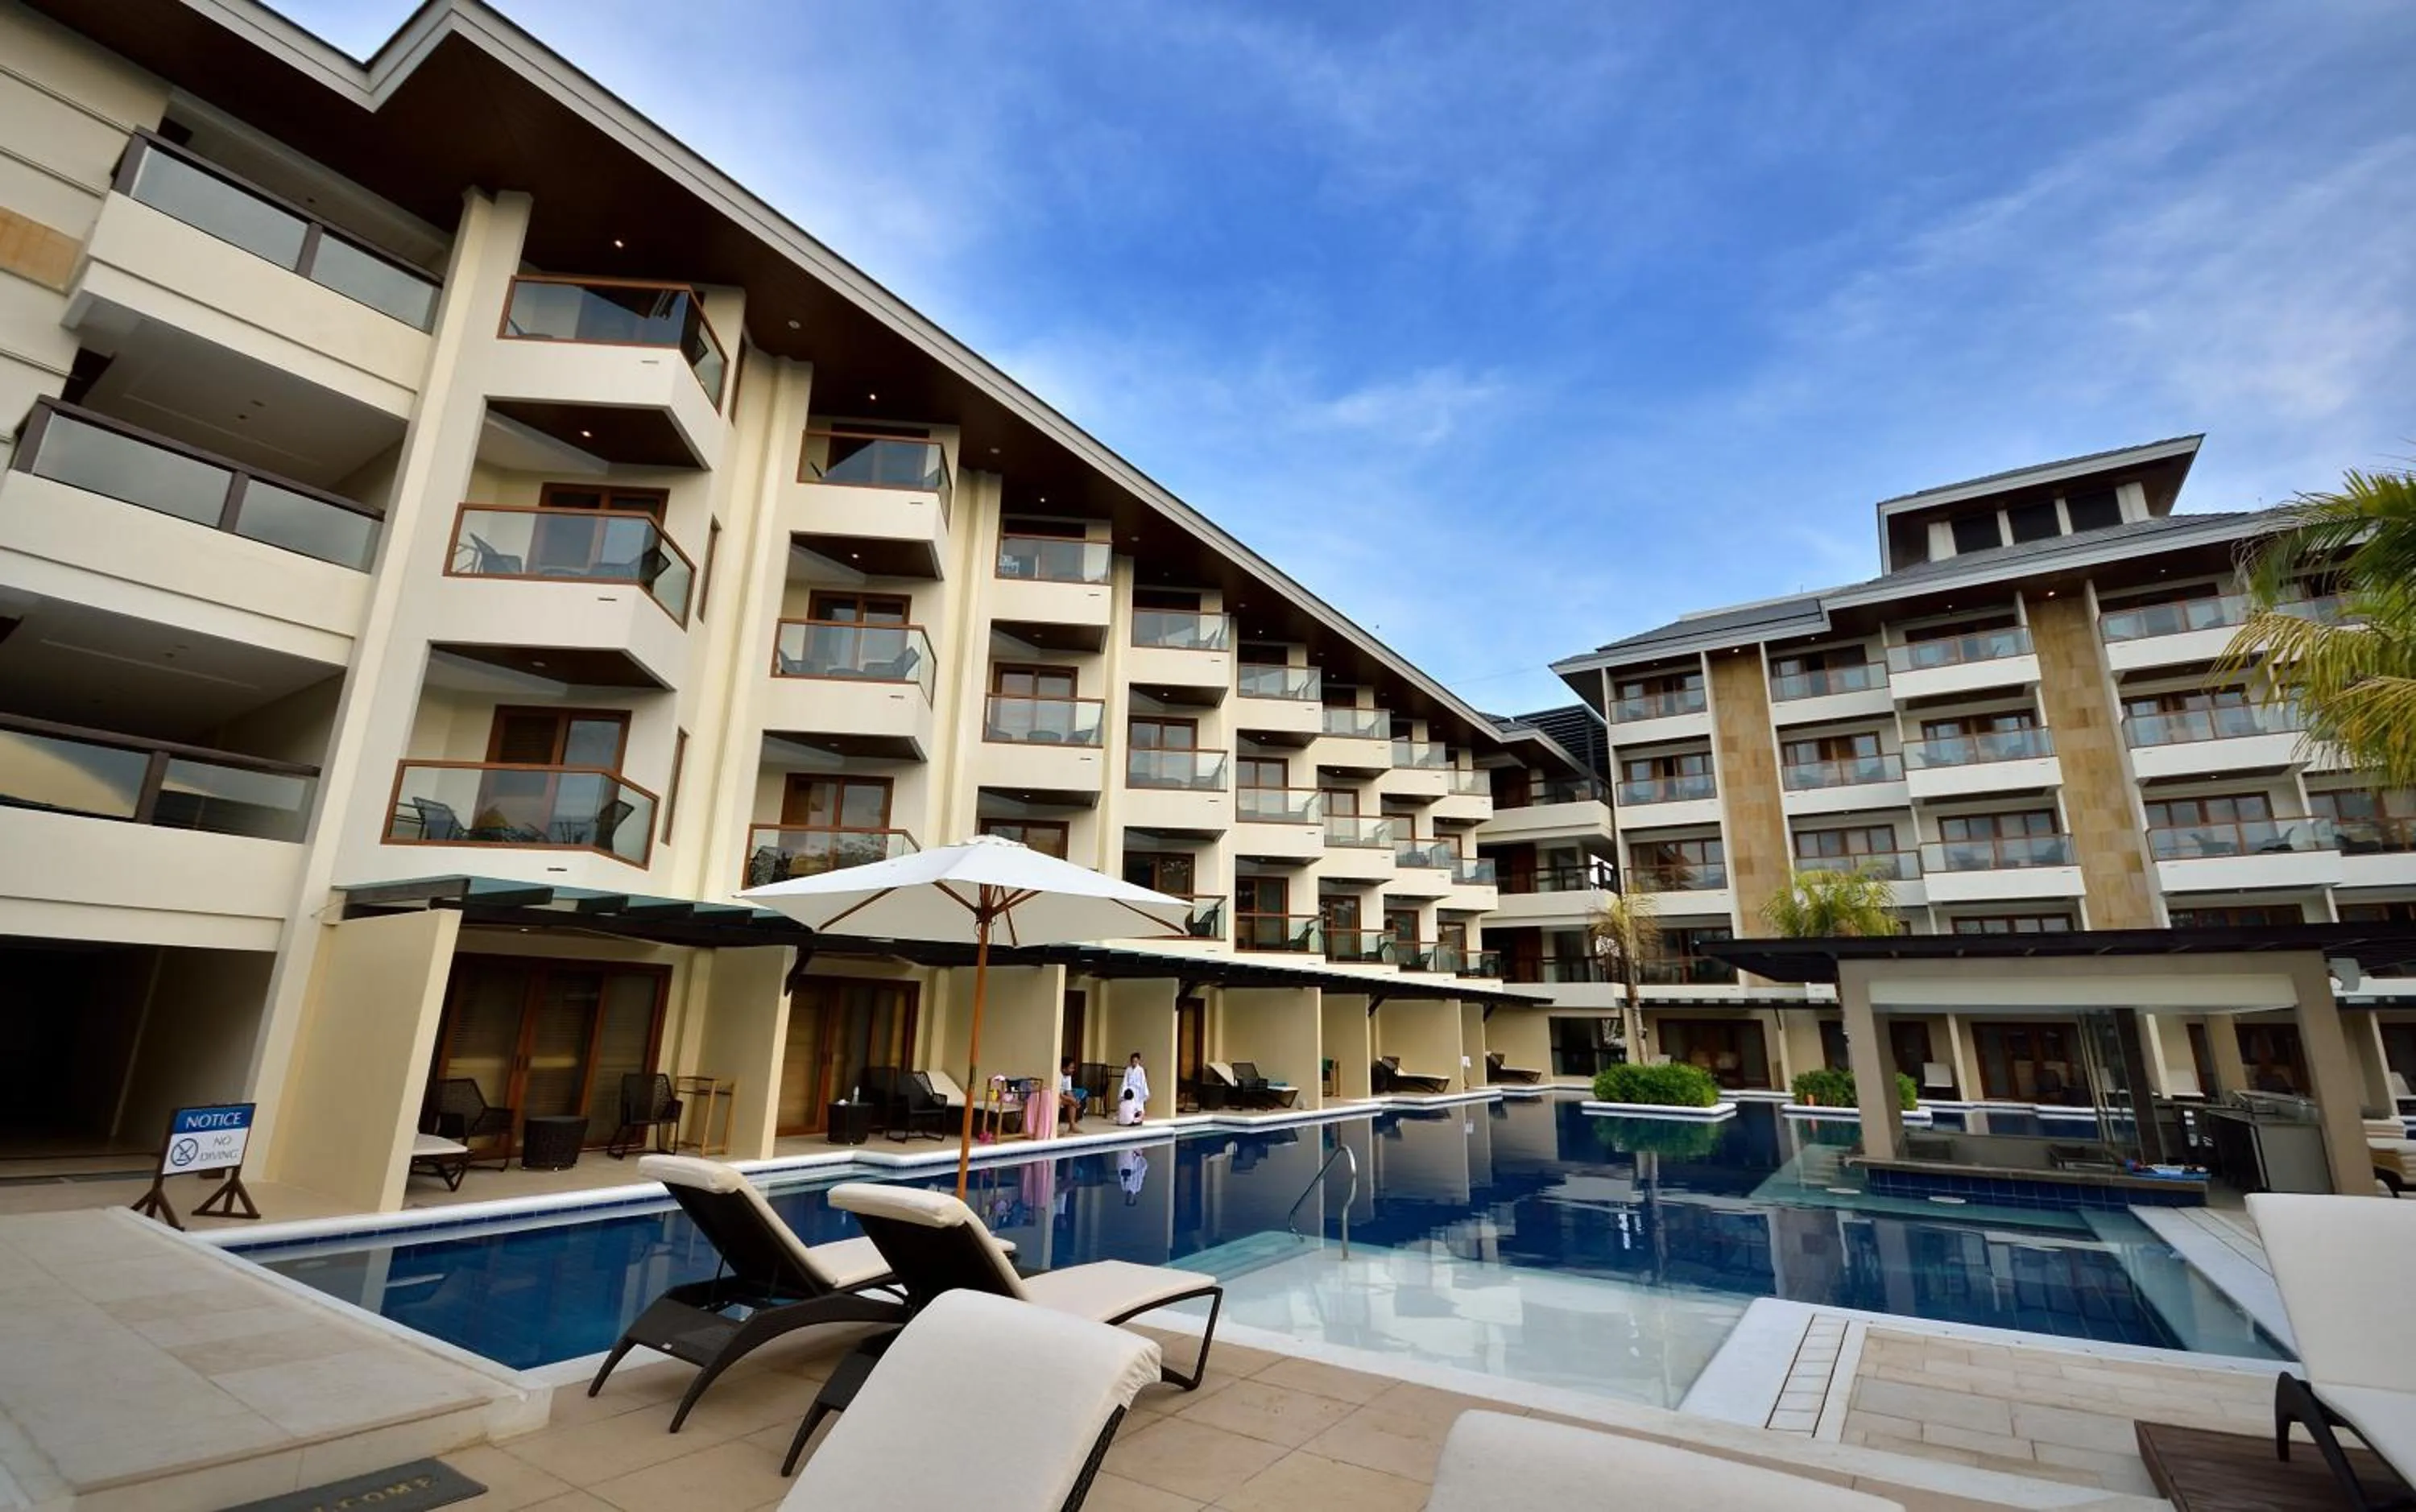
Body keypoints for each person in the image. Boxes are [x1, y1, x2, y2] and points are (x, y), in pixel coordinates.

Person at [1116, 1051, 1150, 1126]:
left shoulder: (1141, 1070)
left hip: (1138, 1090)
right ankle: (1130, 1118)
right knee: (1129, 1104)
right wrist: (1124, 1090)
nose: (1134, 1063)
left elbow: (1143, 1082)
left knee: (1138, 1106)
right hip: (1130, 1090)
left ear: (1138, 1061)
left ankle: (1138, 1119)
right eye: (1133, 1061)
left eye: (1136, 1061)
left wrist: (1144, 1092)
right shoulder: (1128, 1069)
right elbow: (1125, 1080)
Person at [1057, 1057, 1086, 1133]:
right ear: (1064, 1069)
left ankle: (1072, 1126)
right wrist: (1070, 1099)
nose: (1073, 1070)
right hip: (1055, 1097)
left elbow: (1068, 1091)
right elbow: (1057, 1094)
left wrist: (1074, 1100)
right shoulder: (1058, 1076)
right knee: (1062, 1101)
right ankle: (1055, 1126)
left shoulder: (1068, 1076)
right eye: (1071, 1068)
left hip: (1061, 1097)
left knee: (1073, 1102)